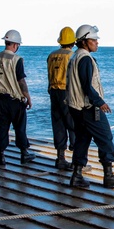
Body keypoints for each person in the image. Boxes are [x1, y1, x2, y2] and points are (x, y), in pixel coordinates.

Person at [65, 24, 114, 189]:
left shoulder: (74, 57)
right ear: (85, 41)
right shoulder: (85, 58)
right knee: (105, 137)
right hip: (88, 108)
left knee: (82, 139)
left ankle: (76, 175)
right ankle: (108, 176)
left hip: (76, 107)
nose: (97, 43)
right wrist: (100, 102)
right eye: (94, 40)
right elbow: (87, 86)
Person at [0, 30, 35, 167]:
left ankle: (1, 155)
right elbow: (21, 80)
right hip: (15, 100)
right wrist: (28, 97)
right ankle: (24, 153)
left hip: (0, 99)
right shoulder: (17, 59)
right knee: (20, 127)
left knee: (2, 127)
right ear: (15, 45)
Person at [47, 27, 77, 169]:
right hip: (67, 92)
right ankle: (77, 160)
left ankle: (60, 158)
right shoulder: (73, 55)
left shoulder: (52, 55)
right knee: (74, 124)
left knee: (58, 124)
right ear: (73, 41)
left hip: (54, 92)